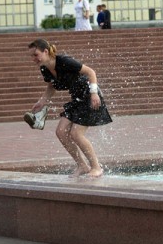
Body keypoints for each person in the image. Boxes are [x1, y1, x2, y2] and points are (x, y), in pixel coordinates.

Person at [27, 39, 112, 177]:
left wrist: (94, 92)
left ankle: (96, 167)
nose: (33, 59)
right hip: (77, 99)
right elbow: (51, 85)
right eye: (31, 56)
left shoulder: (64, 61)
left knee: (76, 134)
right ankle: (82, 165)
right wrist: (42, 101)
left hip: (89, 97)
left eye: (35, 55)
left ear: (46, 51)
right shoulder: (45, 68)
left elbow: (91, 72)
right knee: (60, 132)